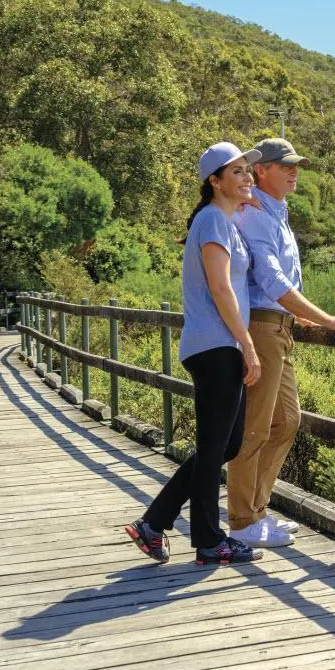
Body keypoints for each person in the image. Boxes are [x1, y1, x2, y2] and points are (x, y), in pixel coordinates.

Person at [126, 141, 266, 567]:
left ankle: (155, 522)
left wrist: (246, 204)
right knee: (215, 447)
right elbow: (221, 289)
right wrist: (248, 343)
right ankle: (209, 541)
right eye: (237, 171)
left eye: (248, 171)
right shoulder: (211, 222)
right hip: (216, 345)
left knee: (224, 446)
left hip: (219, 346)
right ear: (214, 181)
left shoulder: (221, 220)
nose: (247, 177)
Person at [226, 137, 335, 547]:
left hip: (279, 327)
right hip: (263, 327)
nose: (294, 171)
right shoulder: (257, 216)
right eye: (285, 165)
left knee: (286, 421)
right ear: (261, 170)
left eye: (296, 164)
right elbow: (270, 281)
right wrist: (326, 319)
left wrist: (300, 318)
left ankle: (256, 511)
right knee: (255, 428)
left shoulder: (274, 213)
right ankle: (243, 520)